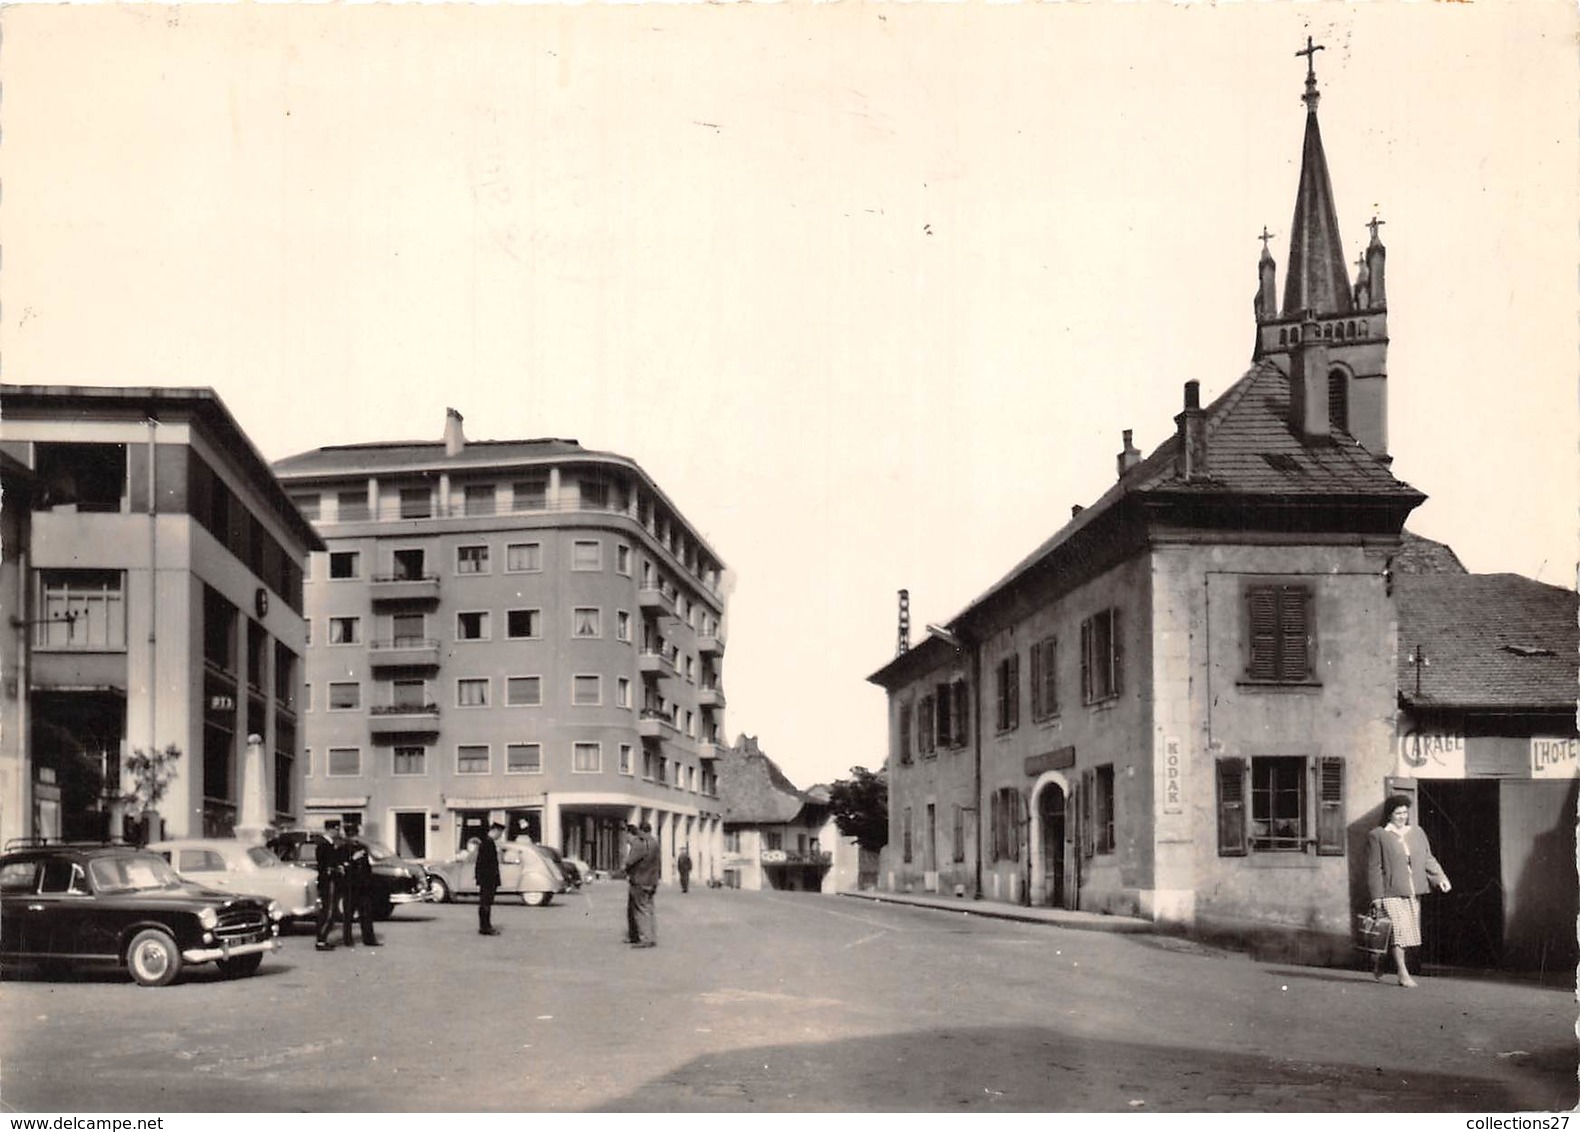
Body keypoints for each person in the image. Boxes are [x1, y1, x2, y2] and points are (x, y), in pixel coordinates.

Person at [1366, 794, 1451, 988]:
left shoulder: (1417, 832)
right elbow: (1374, 868)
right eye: (1398, 813)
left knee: (1404, 933)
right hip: (1390, 892)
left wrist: (1440, 878)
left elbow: (1428, 858)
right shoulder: (1378, 835)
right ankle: (1402, 974)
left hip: (1413, 890)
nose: (1402, 816)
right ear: (1389, 814)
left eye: (1405, 812)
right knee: (1400, 932)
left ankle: (1381, 960)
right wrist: (1377, 897)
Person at [341, 821, 381, 947]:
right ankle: (347, 939)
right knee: (348, 914)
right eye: (352, 835)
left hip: (363, 885)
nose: (354, 838)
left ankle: (369, 939)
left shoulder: (362, 848)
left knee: (366, 913)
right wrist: (352, 859)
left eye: (355, 835)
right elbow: (343, 866)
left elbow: (371, 862)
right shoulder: (343, 849)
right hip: (350, 885)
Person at [624, 821, 661, 947]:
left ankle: (645, 938)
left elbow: (630, 862)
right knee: (649, 909)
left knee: (640, 910)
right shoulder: (655, 843)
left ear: (641, 830)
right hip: (652, 880)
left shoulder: (642, 844)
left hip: (640, 880)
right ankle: (651, 936)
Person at [313, 822, 346, 952]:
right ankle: (321, 940)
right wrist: (338, 869)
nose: (338, 832)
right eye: (337, 829)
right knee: (329, 911)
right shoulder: (324, 845)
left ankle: (322, 938)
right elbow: (326, 866)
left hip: (329, 880)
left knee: (329, 910)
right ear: (331, 829)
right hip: (329, 881)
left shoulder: (328, 844)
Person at [476, 821, 504, 936]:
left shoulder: (486, 843)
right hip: (488, 878)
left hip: (485, 877)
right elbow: (486, 864)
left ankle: (485, 926)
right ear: (494, 831)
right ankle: (485, 927)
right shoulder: (488, 844)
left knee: (485, 902)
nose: (500, 836)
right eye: (500, 833)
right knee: (486, 902)